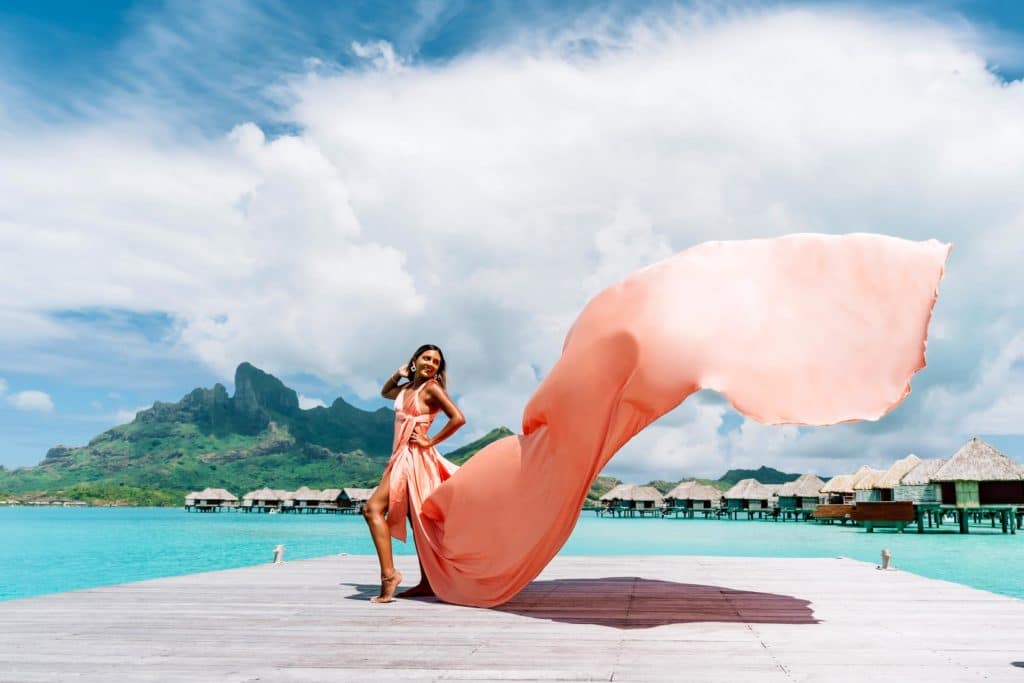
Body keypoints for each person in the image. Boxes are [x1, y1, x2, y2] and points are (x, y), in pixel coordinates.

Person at [363, 344, 466, 603]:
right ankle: (428, 582)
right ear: (415, 360)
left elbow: (458, 418)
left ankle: (389, 576)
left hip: (414, 458)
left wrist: (431, 442)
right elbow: (386, 392)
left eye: (436, 361)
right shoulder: (408, 388)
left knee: (372, 509)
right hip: (400, 457)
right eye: (426, 358)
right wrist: (398, 374)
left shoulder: (432, 388)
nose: (430, 363)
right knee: (415, 519)